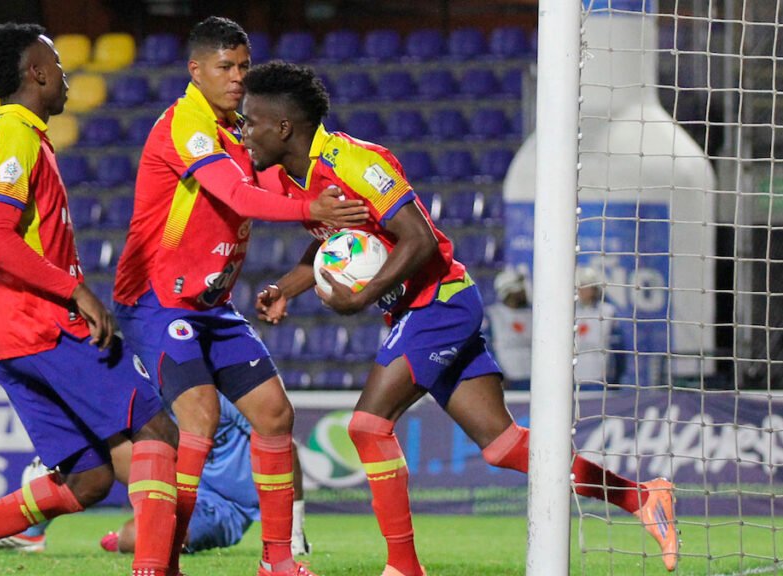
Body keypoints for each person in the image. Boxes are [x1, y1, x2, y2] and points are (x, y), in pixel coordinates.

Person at [244, 61, 680, 574]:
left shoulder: (355, 163)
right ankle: (642, 497)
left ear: (282, 127)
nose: (243, 132)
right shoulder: (292, 181)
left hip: (441, 302)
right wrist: (285, 288)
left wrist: (361, 299)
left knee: (366, 426)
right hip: (416, 311)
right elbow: (332, 248)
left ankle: (404, 566)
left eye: (250, 121)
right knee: (503, 446)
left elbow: (420, 238)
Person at [0, 23, 179, 576]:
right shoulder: (17, 139)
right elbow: (0, 240)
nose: (65, 74)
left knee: (89, 478)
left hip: (10, 337)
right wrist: (73, 289)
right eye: (58, 63)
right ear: (37, 72)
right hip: (46, 326)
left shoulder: (4, 139)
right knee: (157, 430)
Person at [111, 16, 367, 576]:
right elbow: (238, 195)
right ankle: (163, 557)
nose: (236, 77)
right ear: (195, 70)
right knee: (199, 419)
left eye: (244, 66)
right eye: (225, 67)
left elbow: (271, 184)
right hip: (158, 301)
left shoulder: (237, 130)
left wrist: (326, 207)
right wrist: (311, 210)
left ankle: (277, 560)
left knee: (274, 414)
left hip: (210, 306)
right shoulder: (186, 125)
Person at [0, 392, 313, 557]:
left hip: (223, 506)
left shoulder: (219, 395)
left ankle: (148, 531)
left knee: (135, 540)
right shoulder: (149, 392)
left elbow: (286, 447)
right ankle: (30, 533)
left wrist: (293, 531)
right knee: (94, 441)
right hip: (176, 479)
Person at [574, 266, 624, 387]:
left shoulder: (608, 311)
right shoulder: (572, 312)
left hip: (599, 375)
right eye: (581, 287)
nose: (583, 291)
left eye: (587, 287)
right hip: (575, 376)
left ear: (594, 289)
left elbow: (618, 347)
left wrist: (615, 377)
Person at [484, 268, 532, 389]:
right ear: (509, 291)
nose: (524, 291)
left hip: (532, 378)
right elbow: (486, 349)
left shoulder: (533, 314)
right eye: (520, 288)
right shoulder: (492, 315)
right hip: (508, 380)